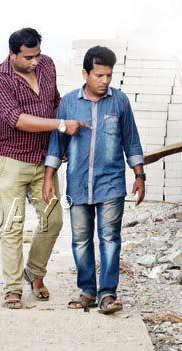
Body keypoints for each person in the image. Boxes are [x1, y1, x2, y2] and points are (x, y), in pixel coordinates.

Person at [0, 27, 87, 309]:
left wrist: (61, 142)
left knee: (53, 221)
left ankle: (34, 272)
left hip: (45, 161)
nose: (34, 62)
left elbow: (55, 103)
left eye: (37, 55)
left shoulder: (47, 65)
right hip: (12, 160)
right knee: (12, 226)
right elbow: (16, 119)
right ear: (12, 54)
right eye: (28, 57)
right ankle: (13, 287)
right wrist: (60, 126)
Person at [42, 46, 146, 314]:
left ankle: (108, 294)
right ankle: (87, 291)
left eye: (109, 75)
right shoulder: (68, 103)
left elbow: (131, 140)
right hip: (77, 183)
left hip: (111, 183)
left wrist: (139, 175)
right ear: (85, 73)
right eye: (99, 75)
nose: (104, 81)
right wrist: (49, 177)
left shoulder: (120, 102)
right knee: (80, 239)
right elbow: (56, 142)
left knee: (110, 238)